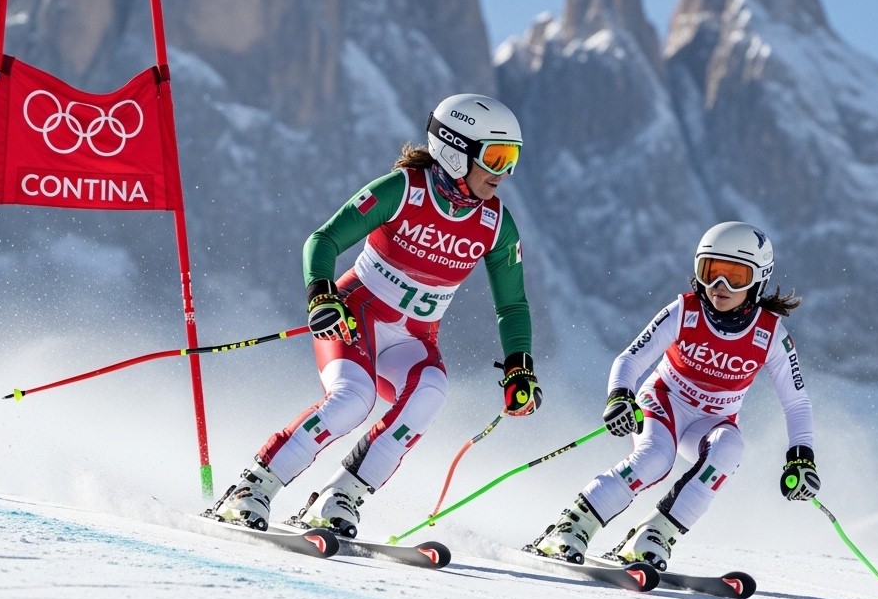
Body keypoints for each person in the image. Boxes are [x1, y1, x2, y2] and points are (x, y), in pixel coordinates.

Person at [208, 93, 542, 536]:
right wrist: (321, 295)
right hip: (353, 317)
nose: (503, 173)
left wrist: (519, 367)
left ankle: (338, 498)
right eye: (495, 157)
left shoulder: (497, 225)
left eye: (511, 159)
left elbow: (512, 305)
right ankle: (252, 489)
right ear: (455, 151)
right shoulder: (403, 190)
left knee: (431, 392)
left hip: (413, 339)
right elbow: (323, 240)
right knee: (353, 400)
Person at [529, 221, 816, 570]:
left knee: (730, 447)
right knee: (655, 457)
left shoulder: (770, 334)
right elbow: (630, 359)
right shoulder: (685, 311)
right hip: (664, 401)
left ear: (758, 281)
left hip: (711, 422)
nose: (720, 286)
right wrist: (620, 396)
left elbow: (796, 402)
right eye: (710, 272)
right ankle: (571, 526)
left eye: (735, 277)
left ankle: (653, 535)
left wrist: (801, 457)